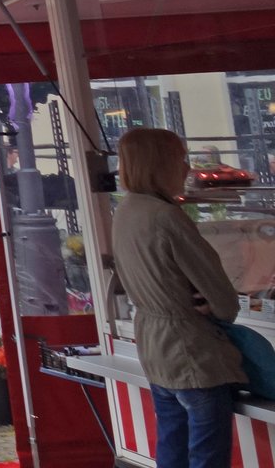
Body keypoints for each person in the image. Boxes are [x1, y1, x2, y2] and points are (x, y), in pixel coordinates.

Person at [111, 127, 244, 468]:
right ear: (160, 164)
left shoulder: (125, 211)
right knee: (206, 456)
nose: (186, 168)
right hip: (191, 352)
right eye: (180, 159)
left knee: (172, 445)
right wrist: (209, 304)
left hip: (153, 347)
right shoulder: (167, 217)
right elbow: (224, 300)